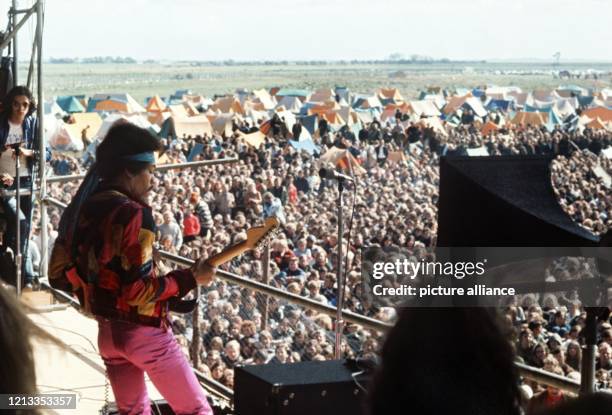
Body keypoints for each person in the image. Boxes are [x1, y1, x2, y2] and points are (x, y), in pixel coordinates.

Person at [49, 123, 215, 415]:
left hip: (108, 333)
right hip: (144, 334)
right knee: (197, 410)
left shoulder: (87, 207)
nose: (153, 179)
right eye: (150, 170)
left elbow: (65, 274)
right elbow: (137, 291)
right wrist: (190, 278)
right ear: (129, 171)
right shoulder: (134, 214)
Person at [0, 86, 49, 288]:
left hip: (27, 181)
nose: (21, 108)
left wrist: (28, 153)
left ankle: (19, 276)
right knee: (20, 223)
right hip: (4, 182)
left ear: (30, 107)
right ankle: (27, 278)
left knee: (23, 228)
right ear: (11, 104)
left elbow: (47, 154)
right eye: (17, 104)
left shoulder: (34, 124)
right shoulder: (2, 125)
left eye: (25, 105)